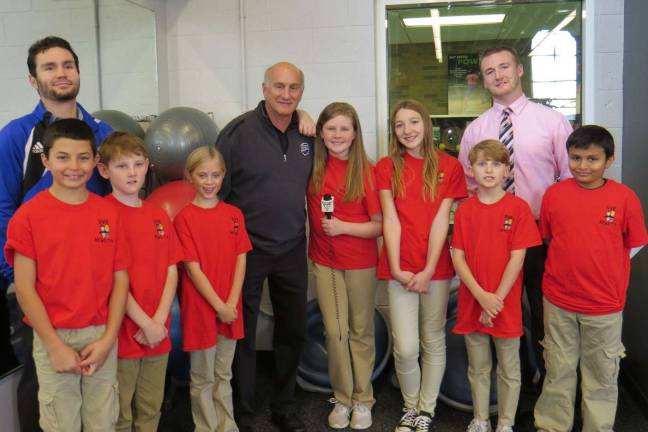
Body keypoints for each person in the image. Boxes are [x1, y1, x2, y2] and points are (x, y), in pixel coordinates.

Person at [0, 35, 112, 431]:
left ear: (79, 71)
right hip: (38, 287)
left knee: (99, 392)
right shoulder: (16, 135)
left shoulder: (104, 132)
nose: (61, 73)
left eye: (67, 65)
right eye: (49, 67)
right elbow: (3, 209)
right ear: (34, 80)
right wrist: (16, 278)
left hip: (96, 292)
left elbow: (120, 203)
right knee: (42, 386)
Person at [4, 118, 129, 431]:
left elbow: (120, 280)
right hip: (52, 335)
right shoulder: (28, 216)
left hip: (101, 334)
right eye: (62, 157)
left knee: (103, 421)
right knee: (62, 423)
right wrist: (54, 345)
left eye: (83, 157)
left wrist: (108, 338)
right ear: (46, 160)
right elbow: (24, 288)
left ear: (95, 160)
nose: (74, 166)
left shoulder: (109, 213)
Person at [458, 45, 573, 383]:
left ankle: (550, 392)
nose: (498, 75)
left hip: (540, 236)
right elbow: (468, 187)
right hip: (492, 240)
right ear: (484, 80)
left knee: (543, 315)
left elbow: (568, 180)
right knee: (504, 314)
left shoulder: (551, 121)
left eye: (504, 67)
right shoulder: (476, 130)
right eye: (490, 71)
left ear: (520, 70)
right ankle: (517, 390)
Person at [216, 61, 313, 432]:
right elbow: (215, 195)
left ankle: (284, 407)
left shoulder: (308, 135)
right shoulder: (237, 134)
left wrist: (307, 118)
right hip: (247, 251)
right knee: (243, 332)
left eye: (294, 88)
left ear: (301, 92)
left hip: (291, 247)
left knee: (293, 329)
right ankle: (244, 411)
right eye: (279, 87)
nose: (286, 94)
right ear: (264, 89)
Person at [534, 125, 648, 432]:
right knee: (558, 369)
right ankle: (551, 426)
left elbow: (635, 243)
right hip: (558, 300)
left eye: (592, 159)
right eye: (576, 158)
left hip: (604, 305)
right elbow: (548, 237)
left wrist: (607, 271)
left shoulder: (624, 198)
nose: (582, 166)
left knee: (601, 374)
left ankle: (598, 427)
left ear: (609, 160)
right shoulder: (554, 194)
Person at [376, 99, 467, 432]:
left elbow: (443, 220)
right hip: (397, 267)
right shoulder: (386, 167)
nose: (407, 130)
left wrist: (429, 269)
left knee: (432, 340)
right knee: (405, 347)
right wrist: (399, 268)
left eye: (413, 122)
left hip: (436, 269)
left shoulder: (450, 167)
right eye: (400, 125)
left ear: (426, 125)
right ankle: (410, 406)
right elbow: (390, 219)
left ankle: (426, 411)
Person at [451, 140, 541, 432]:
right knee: (478, 367)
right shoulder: (465, 210)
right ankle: (480, 419)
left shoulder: (519, 208)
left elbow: (518, 259)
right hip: (472, 302)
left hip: (505, 305)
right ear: (471, 169)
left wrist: (496, 300)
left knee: (509, 369)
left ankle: (505, 422)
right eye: (481, 163)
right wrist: (481, 297)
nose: (489, 170)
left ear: (507, 170)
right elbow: (457, 256)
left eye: (496, 164)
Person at [97, 132, 183, 432]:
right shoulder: (102, 215)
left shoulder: (157, 213)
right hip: (123, 333)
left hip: (158, 332)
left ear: (148, 165)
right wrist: (144, 323)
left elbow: (172, 267)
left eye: (137, 164)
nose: (132, 172)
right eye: (122, 166)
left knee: (150, 408)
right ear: (104, 170)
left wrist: (158, 320)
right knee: (120, 413)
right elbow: (110, 277)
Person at [306, 102, 382, 430]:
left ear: (354, 134)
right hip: (325, 263)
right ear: (321, 132)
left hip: (361, 263)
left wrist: (345, 227)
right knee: (335, 332)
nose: (337, 135)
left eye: (344, 129)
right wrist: (301, 115)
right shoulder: (311, 168)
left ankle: (364, 399)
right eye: (331, 128)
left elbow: (379, 226)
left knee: (360, 331)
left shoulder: (368, 171)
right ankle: (343, 397)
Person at [174, 146, 252, 432]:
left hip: (230, 308)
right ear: (190, 177)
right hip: (202, 308)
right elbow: (193, 270)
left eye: (215, 175)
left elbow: (240, 260)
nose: (209, 182)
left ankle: (226, 425)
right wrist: (218, 305)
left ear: (223, 176)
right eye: (202, 175)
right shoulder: (184, 218)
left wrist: (230, 303)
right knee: (202, 377)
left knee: (223, 373)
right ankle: (206, 427)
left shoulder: (234, 214)